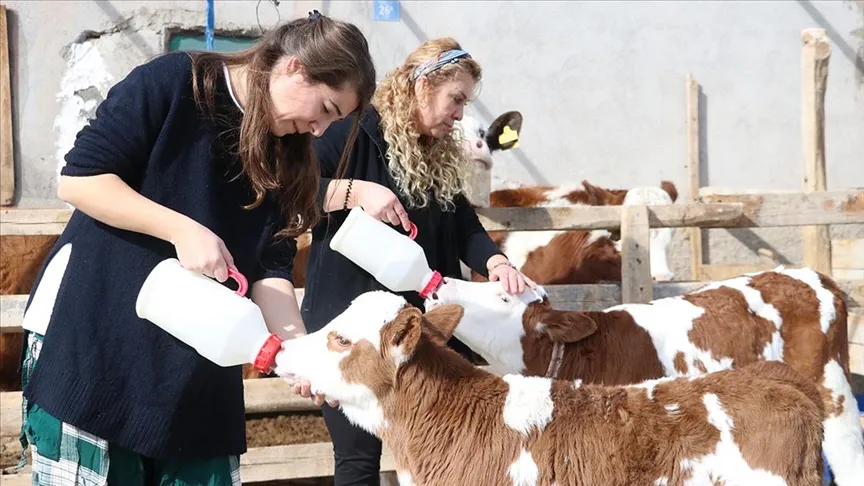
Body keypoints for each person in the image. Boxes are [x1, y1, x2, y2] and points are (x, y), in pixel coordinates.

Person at [16, 11, 375, 486]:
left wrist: (298, 353)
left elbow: (271, 268)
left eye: (334, 121)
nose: (319, 129)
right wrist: (181, 230)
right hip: (100, 351)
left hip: (197, 377)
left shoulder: (288, 156)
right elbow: (81, 180)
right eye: (325, 108)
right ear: (295, 67)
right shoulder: (175, 84)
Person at [301, 37, 536, 485]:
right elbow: (294, 191)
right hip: (353, 330)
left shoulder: (437, 151)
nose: (460, 114)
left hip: (421, 334)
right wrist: (355, 192)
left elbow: (463, 226)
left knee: (443, 449)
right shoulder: (351, 130)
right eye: (456, 99)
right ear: (423, 85)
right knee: (358, 458)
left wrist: (496, 263)